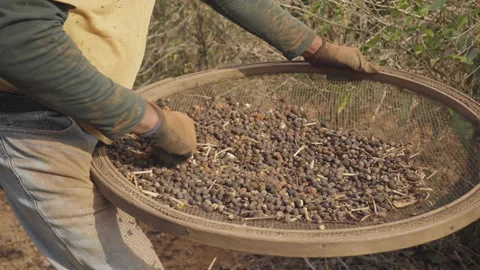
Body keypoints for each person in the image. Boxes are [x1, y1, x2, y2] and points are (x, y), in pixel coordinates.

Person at [0, 0, 379, 269]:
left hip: (104, 107)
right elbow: (16, 39)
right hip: (35, 125)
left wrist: (312, 45)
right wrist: (151, 122)